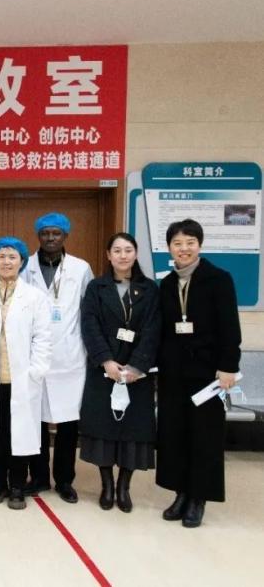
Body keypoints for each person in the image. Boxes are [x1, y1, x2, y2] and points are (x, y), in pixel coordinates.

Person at [156, 219, 241, 528]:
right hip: (173, 373)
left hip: (208, 374)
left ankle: (198, 498)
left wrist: (229, 366)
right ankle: (181, 493)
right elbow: (163, 330)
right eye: (177, 244)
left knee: (204, 436)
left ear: (199, 245)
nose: (184, 249)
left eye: (190, 243)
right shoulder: (167, 283)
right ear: (169, 248)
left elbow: (230, 327)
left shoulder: (218, 279)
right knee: (175, 434)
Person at [79, 233, 160, 512]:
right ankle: (107, 485)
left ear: (135, 254)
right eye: (117, 250)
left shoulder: (150, 289)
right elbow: (89, 325)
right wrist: (106, 361)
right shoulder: (96, 288)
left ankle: (124, 486)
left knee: (133, 431)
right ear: (108, 255)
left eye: (128, 250)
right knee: (102, 428)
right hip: (104, 369)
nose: (123, 255)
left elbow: (153, 329)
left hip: (137, 373)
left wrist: (137, 365)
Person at [0, 237, 52, 511]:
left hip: (22, 379)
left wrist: (36, 370)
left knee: (19, 434)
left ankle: (17, 485)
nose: (6, 262)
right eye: (2, 256)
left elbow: (43, 338)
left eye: (12, 257)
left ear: (22, 261)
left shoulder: (35, 297)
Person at [21, 212, 93, 503]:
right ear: (38, 236)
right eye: (45, 233)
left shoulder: (80, 268)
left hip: (70, 357)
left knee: (67, 424)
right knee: (35, 420)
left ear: (65, 236)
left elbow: (89, 310)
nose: (51, 238)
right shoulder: (25, 267)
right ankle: (39, 477)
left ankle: (64, 480)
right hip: (34, 355)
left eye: (56, 233)